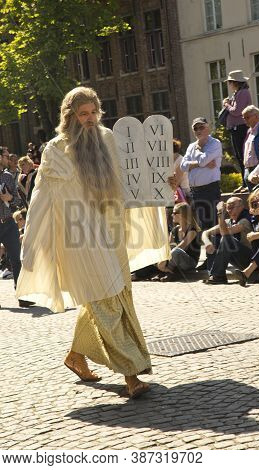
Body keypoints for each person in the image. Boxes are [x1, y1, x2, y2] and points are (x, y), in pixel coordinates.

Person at [16, 87, 152, 398]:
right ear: (70, 117)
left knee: (116, 296)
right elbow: (41, 198)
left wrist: (160, 185)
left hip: (112, 231)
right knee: (106, 300)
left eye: (93, 112)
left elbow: (130, 179)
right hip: (81, 238)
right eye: (83, 114)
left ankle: (76, 355)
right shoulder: (55, 151)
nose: (89, 119)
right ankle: (132, 374)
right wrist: (32, 243)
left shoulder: (107, 138)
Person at [180, 117, 222, 230]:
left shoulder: (215, 143)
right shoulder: (191, 146)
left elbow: (203, 160)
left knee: (213, 224)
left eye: (201, 127)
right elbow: (183, 166)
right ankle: (208, 246)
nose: (198, 130)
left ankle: (216, 247)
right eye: (195, 128)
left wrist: (198, 153)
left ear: (208, 128)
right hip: (196, 191)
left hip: (210, 189)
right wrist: (200, 164)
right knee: (203, 225)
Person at [202, 197, 253, 284]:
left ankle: (218, 275)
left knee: (226, 239)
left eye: (232, 206)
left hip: (249, 259)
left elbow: (224, 233)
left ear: (241, 207)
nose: (229, 209)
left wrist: (220, 214)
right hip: (238, 259)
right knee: (213, 238)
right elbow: (205, 233)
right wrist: (207, 243)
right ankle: (213, 274)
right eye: (227, 206)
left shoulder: (246, 220)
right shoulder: (229, 221)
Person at [0, 148, 25, 303]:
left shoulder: (8, 177)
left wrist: (9, 198)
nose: (8, 159)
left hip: (8, 223)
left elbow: (18, 201)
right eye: (6, 156)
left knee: (16, 259)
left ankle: (21, 295)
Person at [156, 202, 201, 281]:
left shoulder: (192, 230)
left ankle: (167, 272)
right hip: (174, 259)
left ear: (182, 215)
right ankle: (164, 271)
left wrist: (163, 260)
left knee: (176, 251)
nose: (172, 215)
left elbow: (181, 247)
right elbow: (169, 247)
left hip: (189, 261)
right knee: (160, 251)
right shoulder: (175, 230)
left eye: (174, 213)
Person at [223, 70, 252, 188]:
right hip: (235, 128)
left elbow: (236, 111)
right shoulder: (239, 93)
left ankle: (247, 183)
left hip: (239, 128)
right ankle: (245, 183)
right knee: (239, 156)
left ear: (235, 82)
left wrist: (226, 104)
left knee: (242, 156)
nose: (229, 84)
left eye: (230, 82)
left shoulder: (243, 93)